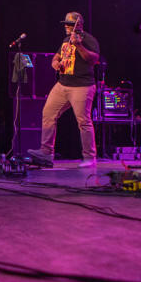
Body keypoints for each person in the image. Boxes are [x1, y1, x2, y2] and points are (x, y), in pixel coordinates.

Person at [31, 11, 101, 167]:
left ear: (79, 25)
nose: (66, 27)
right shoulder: (65, 40)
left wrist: (79, 46)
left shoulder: (89, 40)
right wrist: (55, 62)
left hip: (82, 86)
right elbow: (57, 56)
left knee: (83, 122)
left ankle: (90, 157)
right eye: (65, 24)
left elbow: (93, 59)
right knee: (48, 113)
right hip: (63, 85)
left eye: (69, 24)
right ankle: (46, 153)